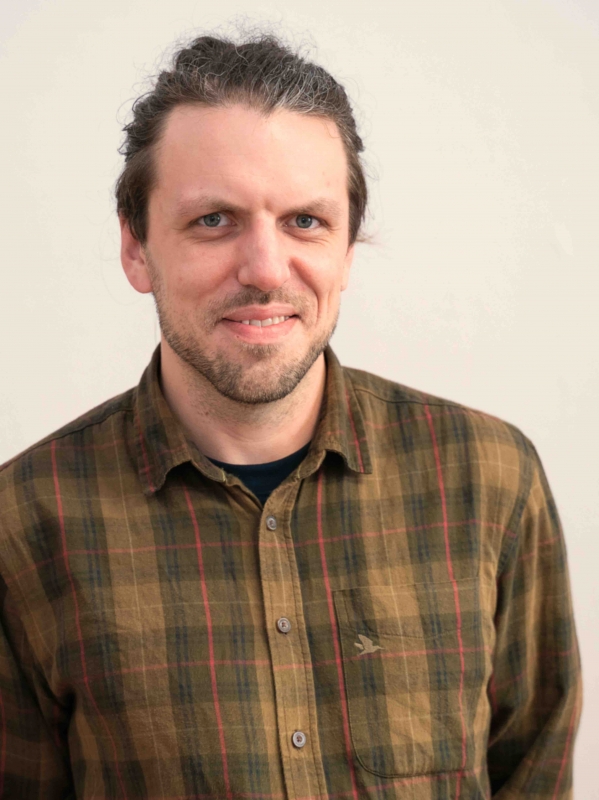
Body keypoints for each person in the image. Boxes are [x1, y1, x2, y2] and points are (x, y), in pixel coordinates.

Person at [0, 32, 582, 800]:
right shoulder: (23, 524)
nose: (266, 269)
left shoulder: (489, 479)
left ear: (346, 250)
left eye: (305, 221)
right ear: (136, 248)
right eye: (214, 220)